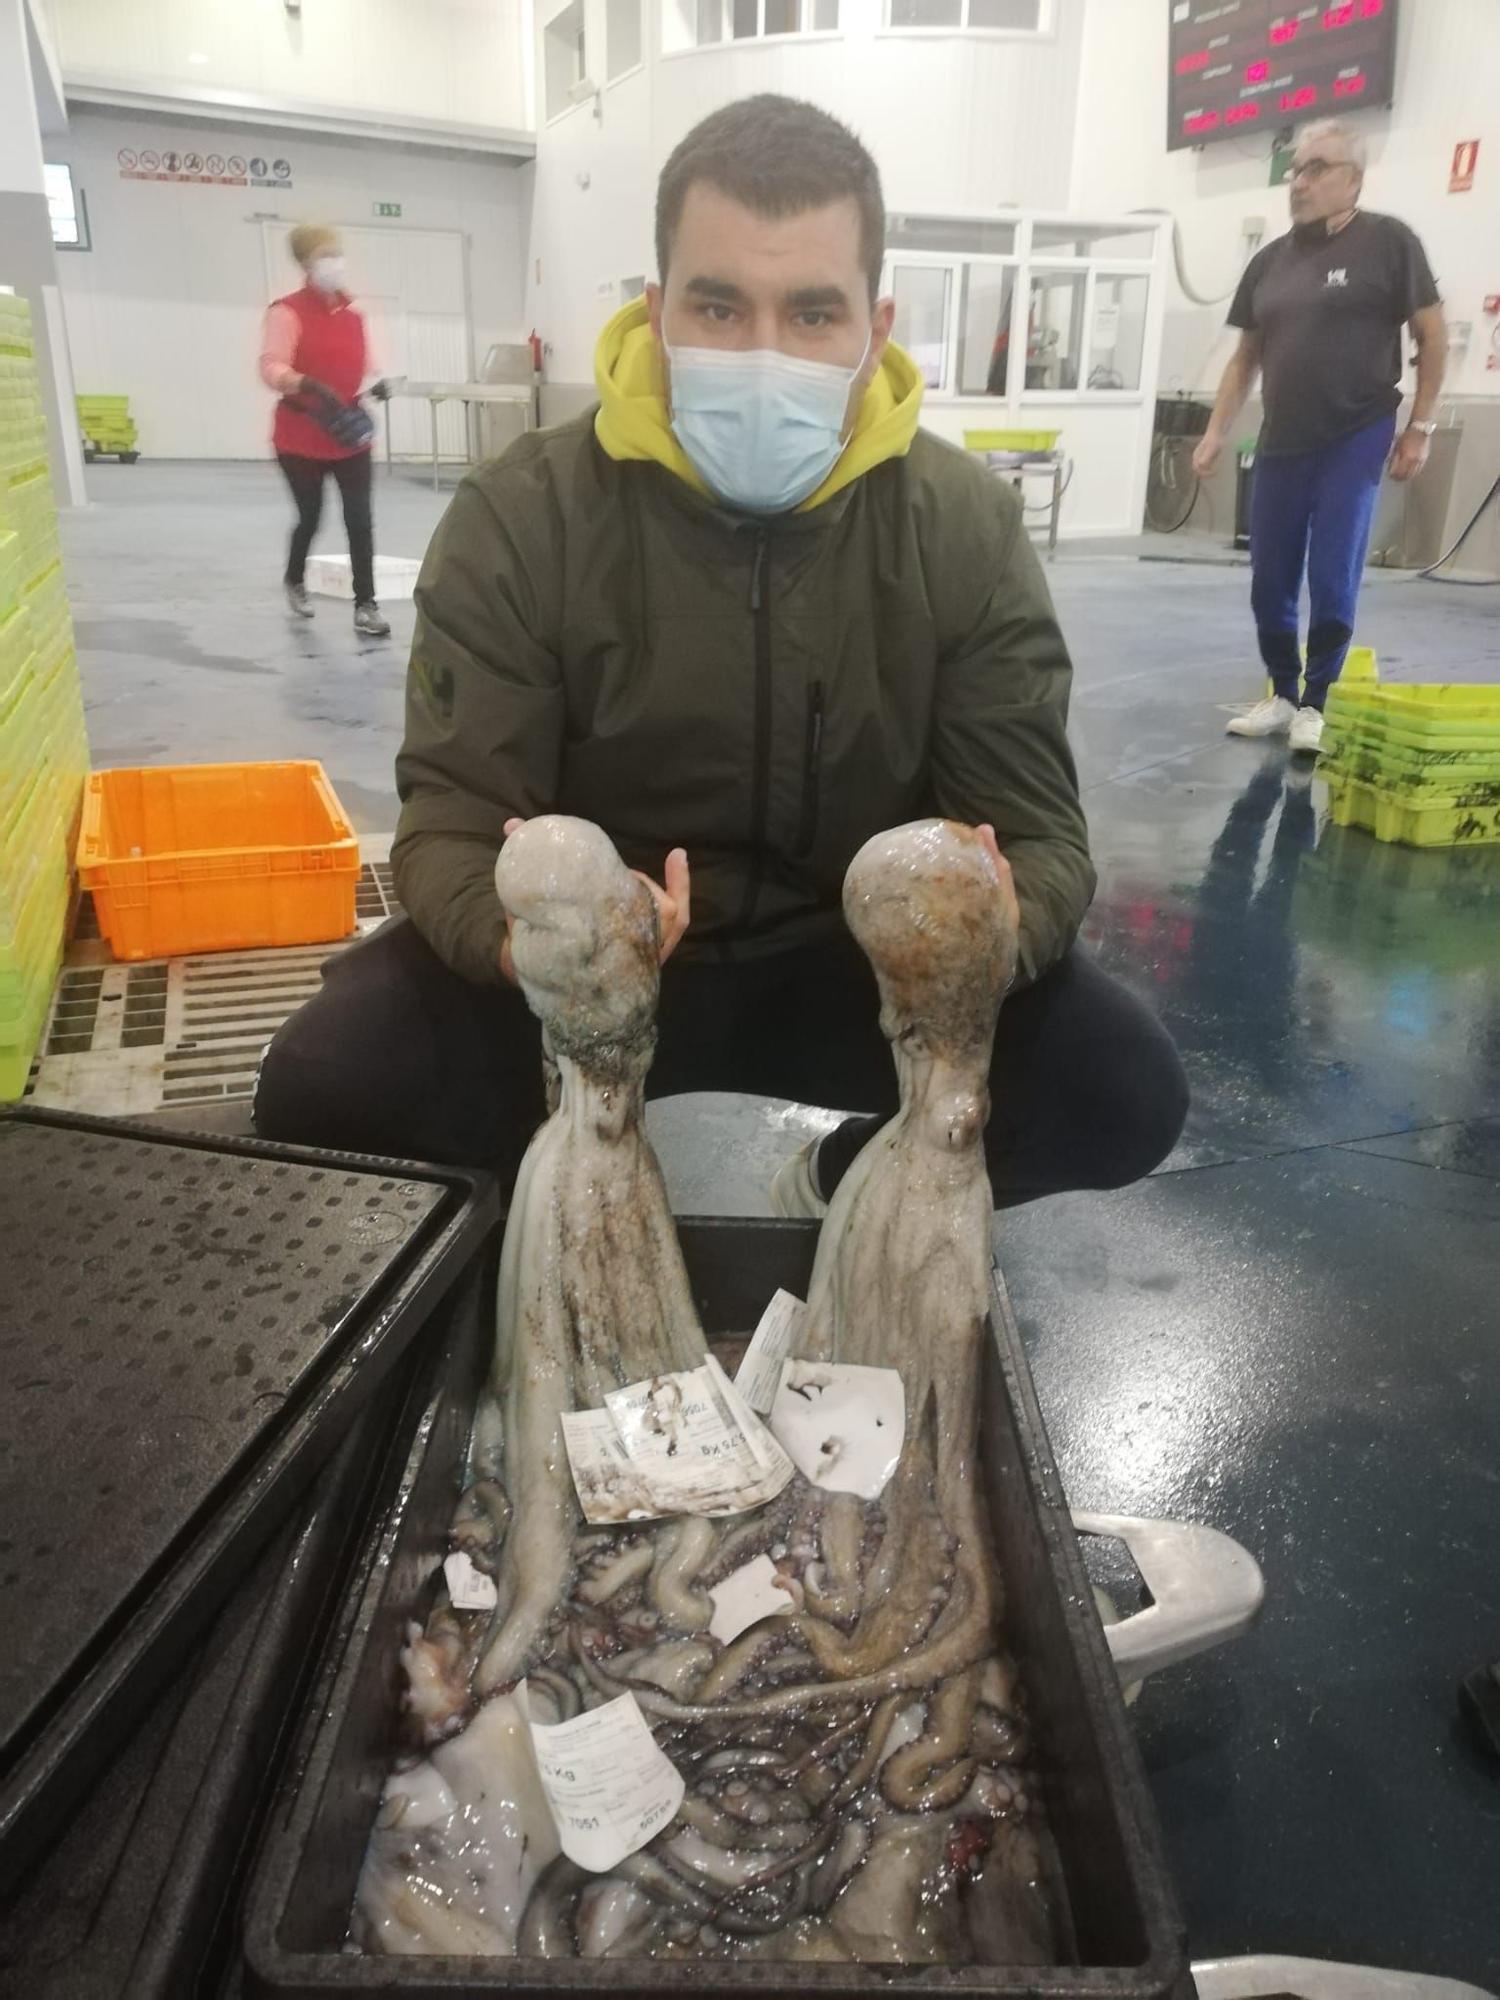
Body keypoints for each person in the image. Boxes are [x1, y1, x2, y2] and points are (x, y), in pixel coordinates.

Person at [254, 96, 1188, 1209]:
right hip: (594, 976)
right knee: (326, 1077)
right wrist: (538, 949)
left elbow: (1035, 839)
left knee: (1119, 1086)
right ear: (655, 313)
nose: (763, 354)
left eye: (811, 314)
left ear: (874, 328)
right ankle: (553, 1203)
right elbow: (451, 821)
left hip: (865, 976)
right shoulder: (524, 514)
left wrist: (976, 936)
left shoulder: (961, 526)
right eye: (717, 306)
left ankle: (854, 1183)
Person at [1193, 120, 1445, 756]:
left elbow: (1432, 337)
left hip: (1356, 434)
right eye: (1294, 169)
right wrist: (1216, 431)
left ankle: (1317, 702)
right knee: (1269, 576)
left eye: (1314, 169)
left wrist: (1419, 426)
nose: (1298, 181)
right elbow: (1244, 358)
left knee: (1332, 572)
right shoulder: (1269, 263)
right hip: (1282, 438)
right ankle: (1282, 692)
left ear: (1352, 180)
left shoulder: (1391, 243)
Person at [259, 224, 392, 639]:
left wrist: (378, 383)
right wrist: (303, 382)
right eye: (324, 256)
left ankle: (366, 604)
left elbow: (365, 365)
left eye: (337, 253)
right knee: (311, 516)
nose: (334, 263)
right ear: (305, 263)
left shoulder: (354, 316)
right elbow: (270, 365)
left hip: (347, 433)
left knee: (360, 520)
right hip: (301, 437)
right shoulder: (286, 312)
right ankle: (295, 578)